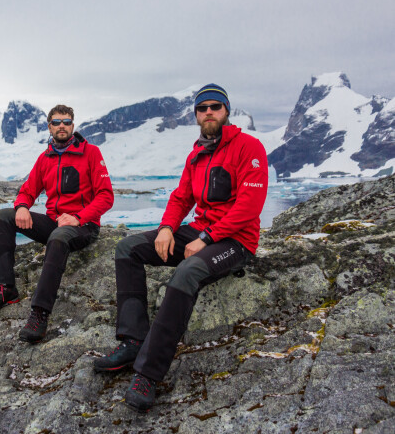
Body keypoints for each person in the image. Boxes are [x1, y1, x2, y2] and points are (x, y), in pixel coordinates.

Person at [93, 84, 268, 412]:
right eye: (203, 108)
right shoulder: (197, 153)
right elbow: (181, 196)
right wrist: (167, 228)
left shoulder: (249, 146)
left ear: (226, 111)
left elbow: (250, 205)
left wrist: (209, 237)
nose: (209, 112)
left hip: (235, 240)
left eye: (216, 106)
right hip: (201, 232)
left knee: (188, 272)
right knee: (128, 248)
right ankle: (132, 341)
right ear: (197, 115)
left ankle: (148, 373)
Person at [0, 104, 114, 342]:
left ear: (73, 125)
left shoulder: (91, 153)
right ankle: (5, 288)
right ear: (49, 126)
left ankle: (39, 312)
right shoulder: (45, 157)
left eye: (67, 122)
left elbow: (106, 196)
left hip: (83, 226)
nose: (62, 126)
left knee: (58, 238)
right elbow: (28, 190)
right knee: (3, 216)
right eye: (57, 122)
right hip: (53, 222)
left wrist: (79, 218)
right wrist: (21, 206)